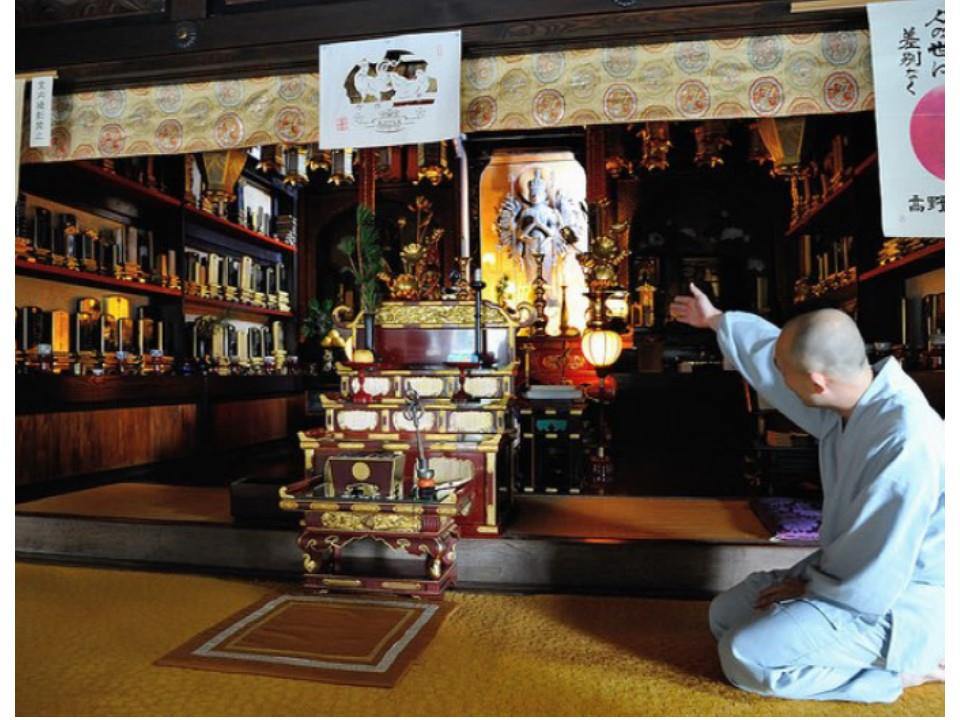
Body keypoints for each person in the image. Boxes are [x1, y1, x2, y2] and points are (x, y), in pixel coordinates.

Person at [669, 283, 944, 703]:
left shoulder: (905, 440)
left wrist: (812, 589)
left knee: (743, 655)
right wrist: (716, 319)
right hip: (842, 577)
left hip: (896, 600)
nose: (777, 379)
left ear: (817, 382)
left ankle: (903, 674)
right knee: (724, 615)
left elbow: (881, 564)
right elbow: (776, 354)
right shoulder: (852, 396)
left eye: (786, 374)